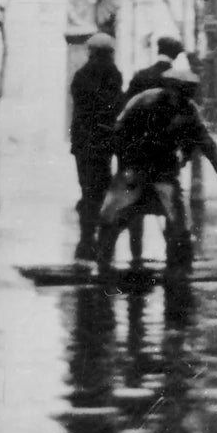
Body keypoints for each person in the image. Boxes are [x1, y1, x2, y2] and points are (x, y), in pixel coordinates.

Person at [96, 54, 217, 274]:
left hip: (164, 174)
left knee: (180, 225)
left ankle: (179, 272)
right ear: (169, 89)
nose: (182, 98)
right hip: (134, 170)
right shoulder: (143, 103)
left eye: (186, 94)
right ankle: (103, 266)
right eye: (179, 92)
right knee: (110, 216)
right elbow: (118, 132)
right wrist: (125, 162)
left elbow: (208, 145)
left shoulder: (188, 111)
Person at [68, 30, 125, 261]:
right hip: (104, 142)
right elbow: (115, 105)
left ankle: (86, 241)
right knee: (101, 188)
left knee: (87, 188)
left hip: (83, 142)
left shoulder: (81, 75)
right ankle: (99, 241)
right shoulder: (113, 74)